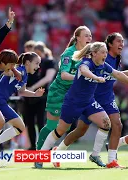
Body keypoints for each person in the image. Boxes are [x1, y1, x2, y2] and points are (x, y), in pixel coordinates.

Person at [37, 42, 128, 169]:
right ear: (94, 53)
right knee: (60, 130)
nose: (105, 55)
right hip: (73, 102)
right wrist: (96, 78)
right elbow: (84, 71)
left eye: (106, 52)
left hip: (89, 102)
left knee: (106, 124)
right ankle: (41, 156)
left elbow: (118, 74)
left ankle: (95, 155)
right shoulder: (86, 63)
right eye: (103, 52)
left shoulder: (103, 65)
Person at [58, 32, 126, 168]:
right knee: (80, 131)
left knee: (117, 124)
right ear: (110, 44)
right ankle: (58, 152)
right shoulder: (100, 56)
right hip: (92, 97)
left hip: (107, 97)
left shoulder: (117, 58)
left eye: (122, 41)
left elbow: (117, 74)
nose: (121, 44)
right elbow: (86, 70)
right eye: (118, 41)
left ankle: (111, 160)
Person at [35, 26, 92, 155]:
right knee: (52, 126)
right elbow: (64, 75)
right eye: (86, 35)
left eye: (90, 35)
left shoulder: (89, 55)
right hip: (59, 92)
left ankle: (57, 151)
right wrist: (81, 79)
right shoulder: (68, 54)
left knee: (71, 127)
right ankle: (39, 152)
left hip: (74, 94)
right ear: (77, 38)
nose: (90, 38)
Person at [23, 42, 56, 150]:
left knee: (42, 122)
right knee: (29, 122)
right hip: (28, 96)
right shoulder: (27, 64)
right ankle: (33, 146)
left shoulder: (49, 62)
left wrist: (32, 88)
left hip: (42, 96)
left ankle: (45, 146)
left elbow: (48, 78)